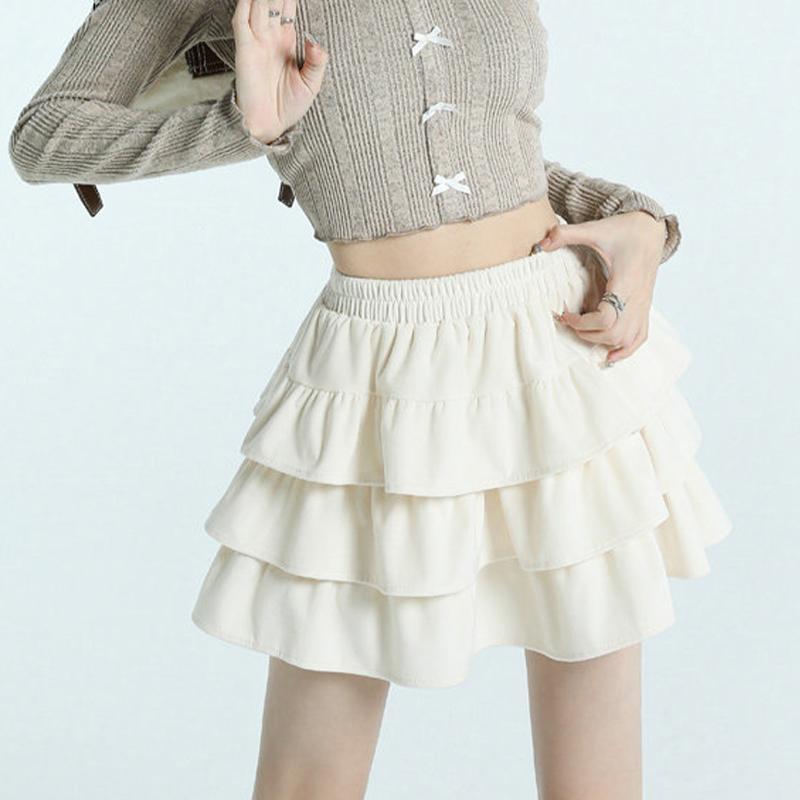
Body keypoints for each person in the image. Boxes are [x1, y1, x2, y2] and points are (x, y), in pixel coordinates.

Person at [8, 1, 732, 798]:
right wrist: (246, 126)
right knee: (308, 778)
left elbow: (494, 146)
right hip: (382, 373)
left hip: (560, 348)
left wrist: (638, 221)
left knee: (597, 778)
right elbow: (45, 137)